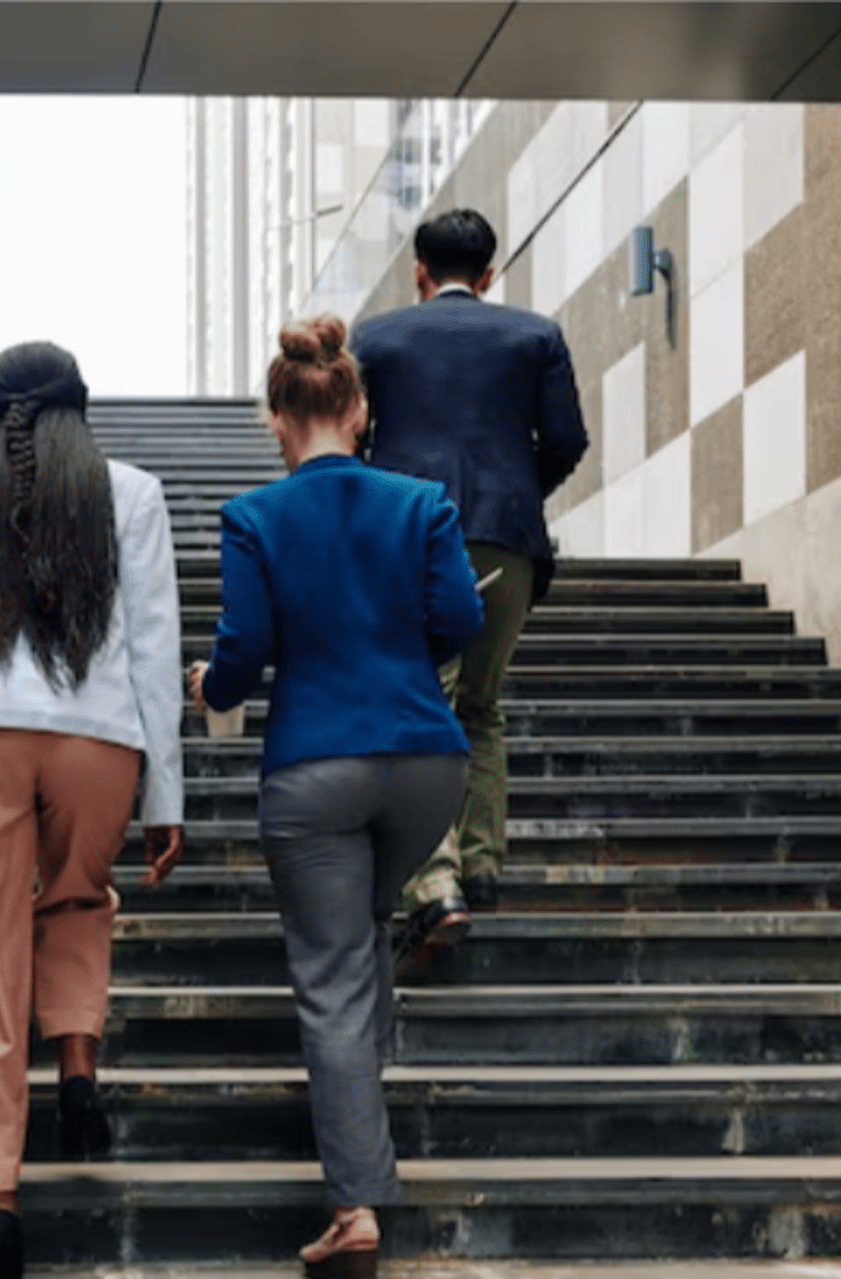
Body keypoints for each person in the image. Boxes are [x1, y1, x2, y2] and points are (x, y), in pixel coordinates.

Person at [190, 316, 483, 1279]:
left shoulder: (255, 517)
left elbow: (239, 659)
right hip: (426, 766)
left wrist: (207, 688)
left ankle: (355, 1204)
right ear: (359, 410)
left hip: (313, 766)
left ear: (277, 418)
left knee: (329, 977)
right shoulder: (422, 502)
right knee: (360, 927)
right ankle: (363, 1092)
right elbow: (461, 621)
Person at [0, 342, 186, 1279]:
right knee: (77, 896)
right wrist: (165, 792)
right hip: (99, 740)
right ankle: (81, 1070)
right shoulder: (131, 493)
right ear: (81, 408)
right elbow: (153, 644)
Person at [349, 208, 589, 980]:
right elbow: (567, 441)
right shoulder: (535, 335)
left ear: (420, 272)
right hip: (504, 535)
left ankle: (436, 881)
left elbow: (347, 439)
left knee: (419, 702)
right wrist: (516, 492)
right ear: (489, 275)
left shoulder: (377, 339)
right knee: (480, 704)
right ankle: (481, 866)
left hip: (407, 533)